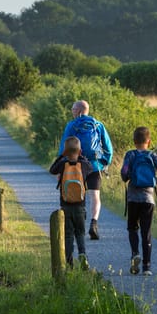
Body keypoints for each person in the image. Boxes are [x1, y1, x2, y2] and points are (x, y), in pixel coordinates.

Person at [58, 99, 113, 240]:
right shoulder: (98, 125)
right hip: (95, 165)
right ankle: (94, 223)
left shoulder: (71, 125)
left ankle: (79, 224)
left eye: (73, 109)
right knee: (95, 196)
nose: (72, 111)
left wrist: (61, 166)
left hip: (77, 166)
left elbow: (64, 147)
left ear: (79, 111)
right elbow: (108, 148)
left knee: (78, 194)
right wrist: (104, 162)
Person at [120, 127, 157, 276]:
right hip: (148, 199)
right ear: (149, 141)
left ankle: (135, 254)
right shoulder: (153, 155)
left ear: (134, 141)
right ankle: (147, 266)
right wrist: (154, 182)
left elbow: (124, 171)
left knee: (133, 228)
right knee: (146, 232)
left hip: (133, 199)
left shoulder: (130, 155)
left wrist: (127, 178)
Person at [49, 136, 93, 270]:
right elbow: (91, 168)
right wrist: (81, 156)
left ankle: (69, 263)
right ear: (80, 151)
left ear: (65, 151)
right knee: (80, 233)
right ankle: (82, 254)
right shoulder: (83, 164)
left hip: (66, 206)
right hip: (80, 206)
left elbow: (52, 170)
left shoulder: (63, 164)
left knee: (68, 235)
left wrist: (62, 156)